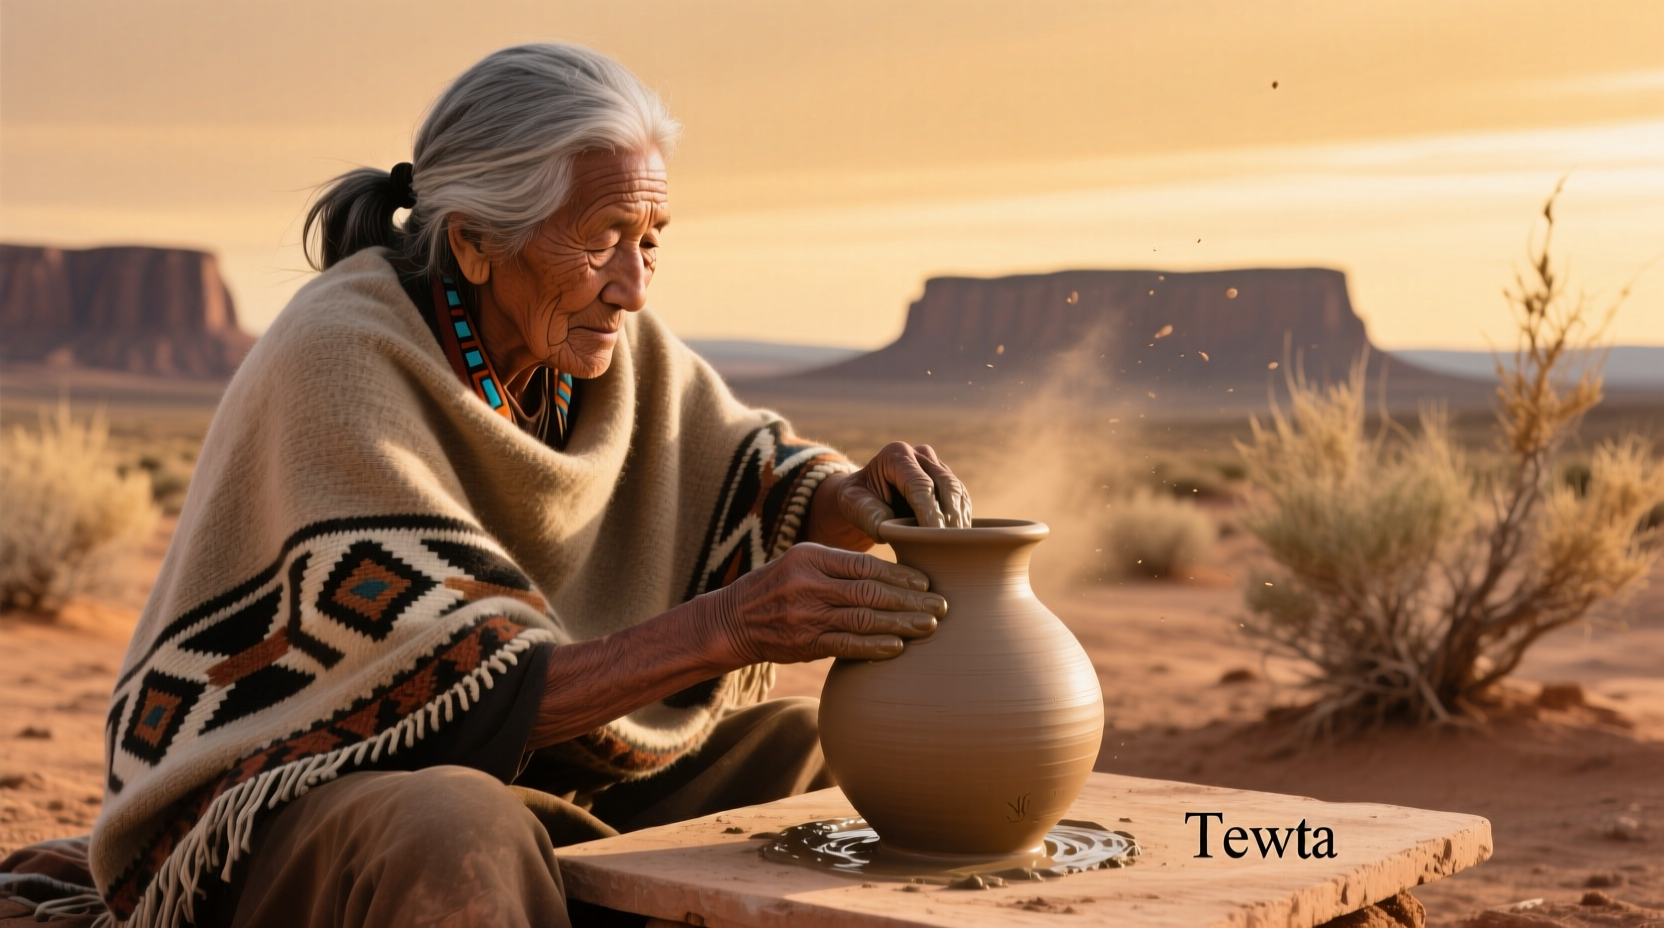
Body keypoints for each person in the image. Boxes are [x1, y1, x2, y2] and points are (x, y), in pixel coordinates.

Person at [67, 42, 971, 928]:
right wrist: (731, 624)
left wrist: (852, 499)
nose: (634, 287)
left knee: (809, 751)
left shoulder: (611, 353)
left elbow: (753, 483)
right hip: (292, 804)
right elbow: (457, 696)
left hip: (530, 776)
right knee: (455, 825)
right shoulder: (341, 353)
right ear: (474, 244)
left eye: (651, 240)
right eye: (604, 240)